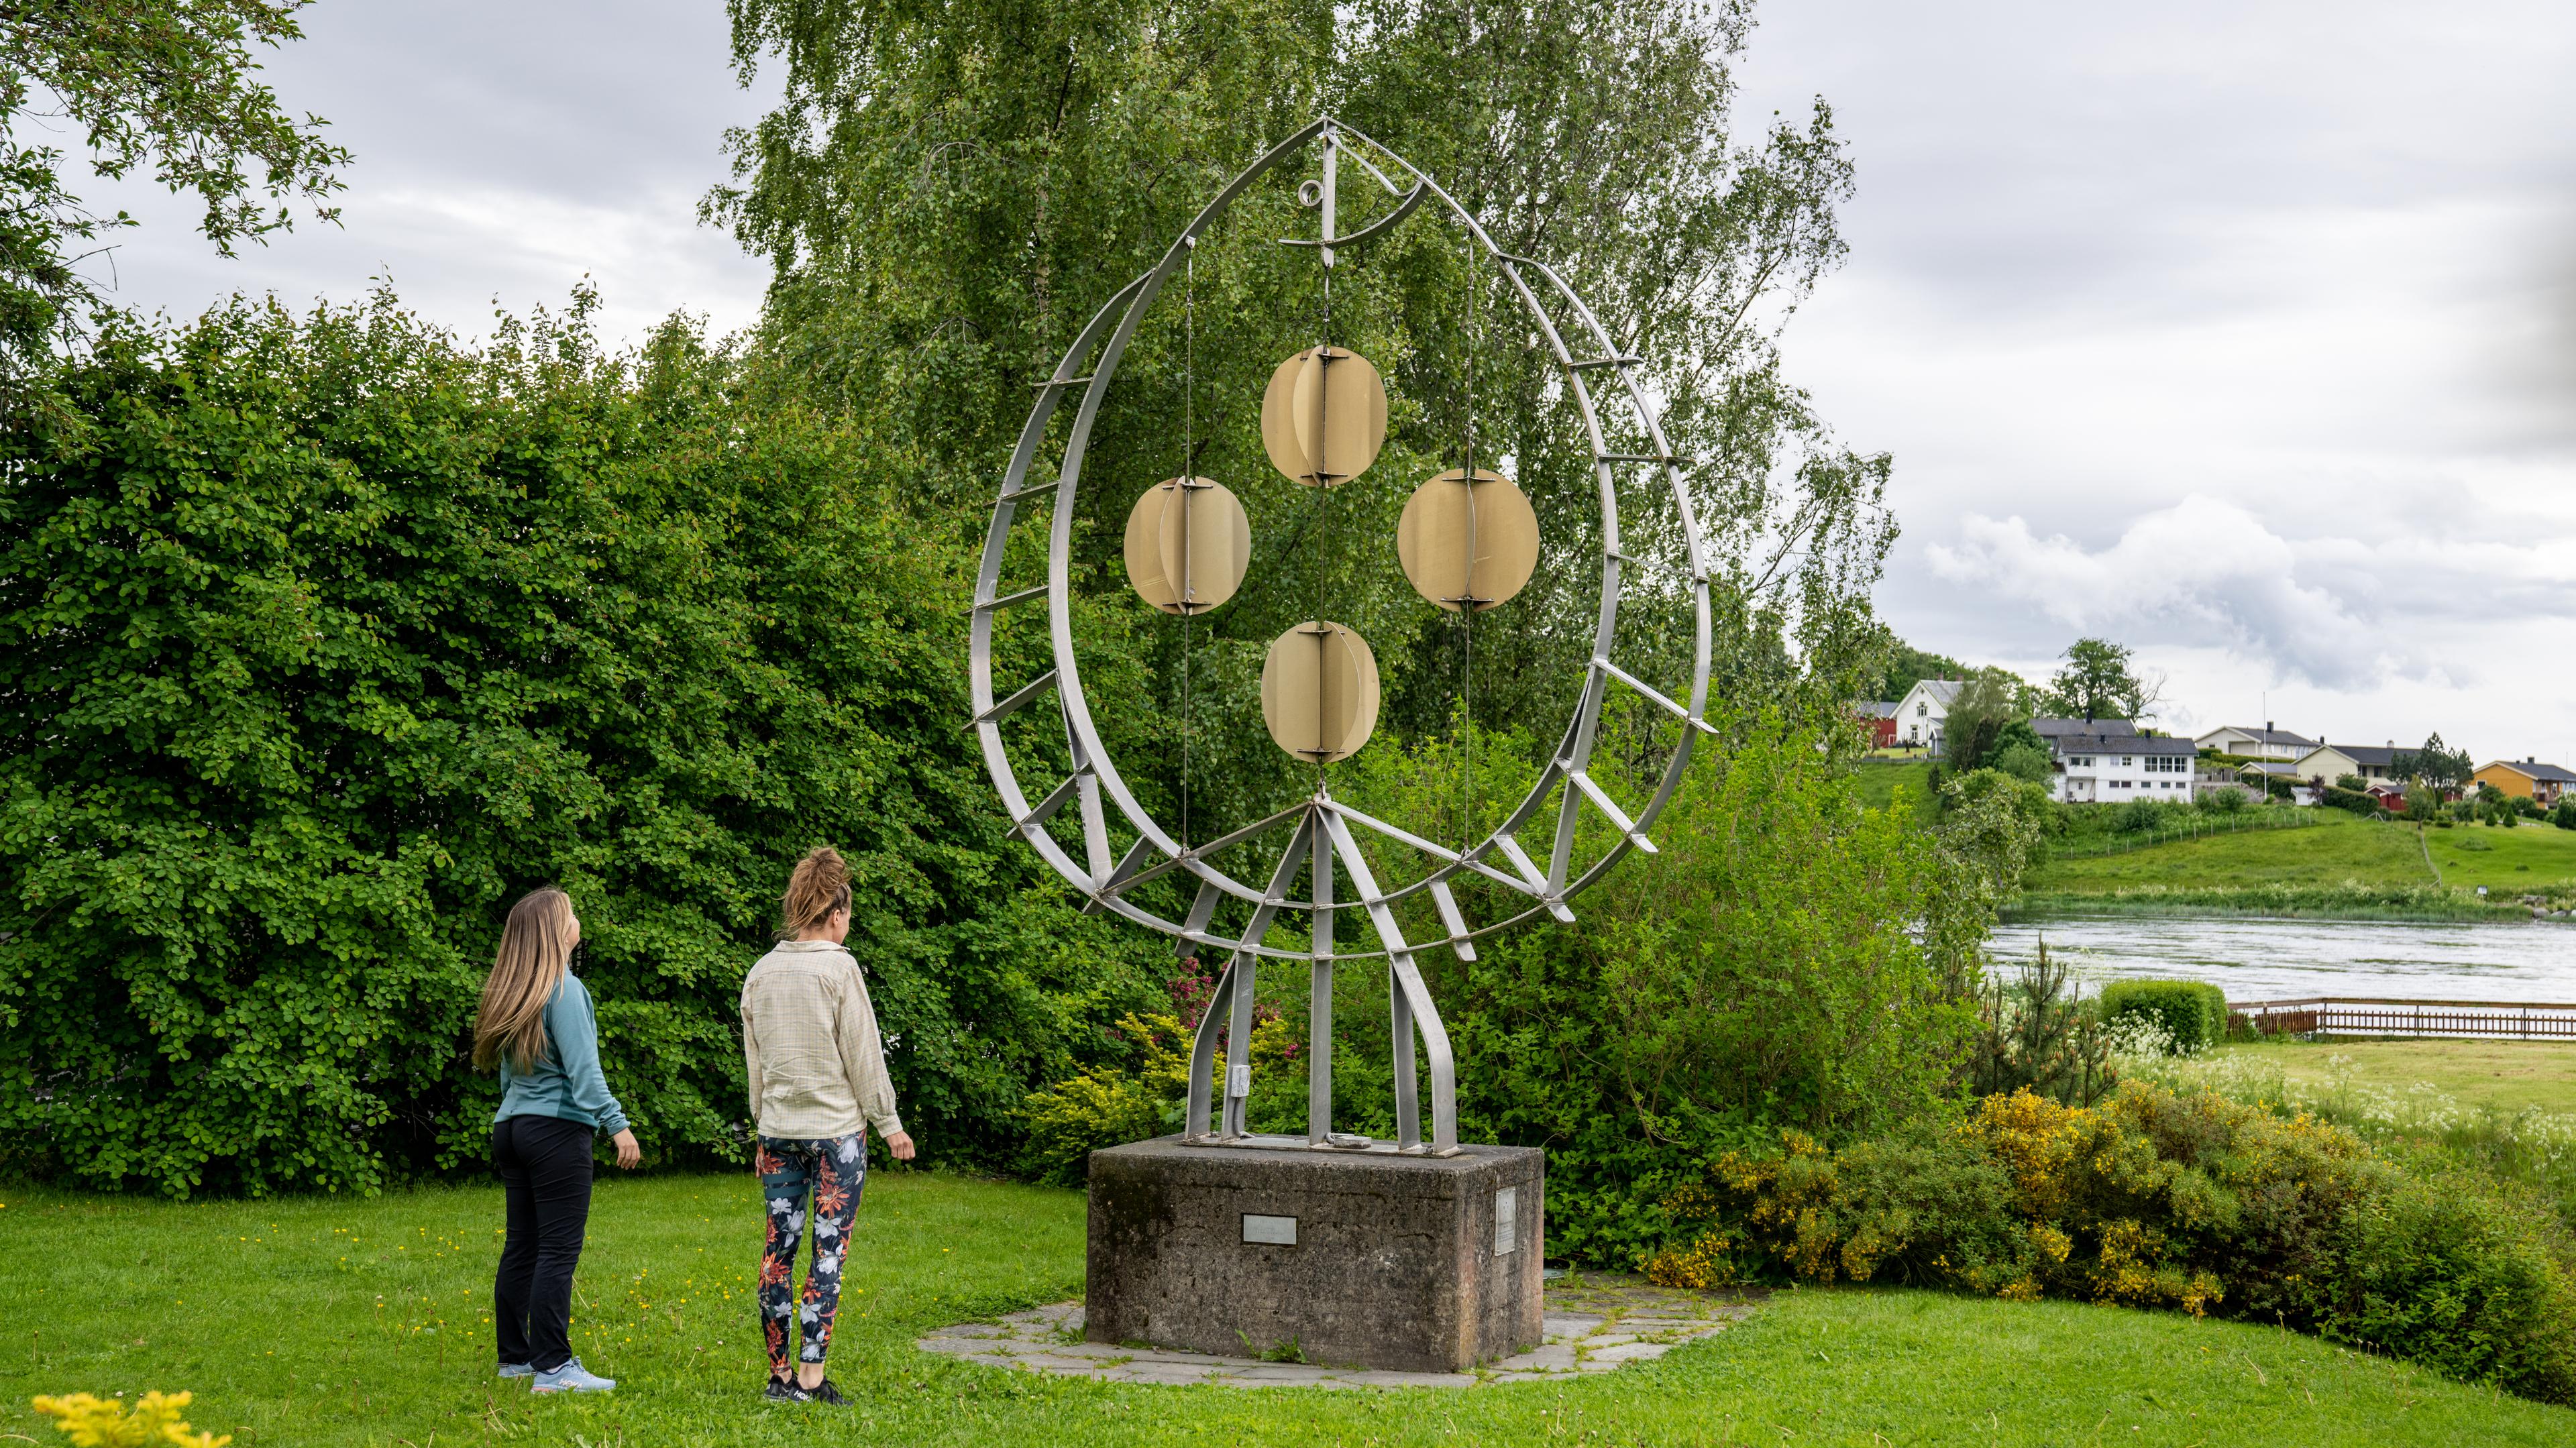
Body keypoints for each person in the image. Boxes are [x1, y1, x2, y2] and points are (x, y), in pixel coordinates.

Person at [741, 847, 916, 1406]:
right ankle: (813, 1380)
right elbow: (863, 1054)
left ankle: (779, 1377)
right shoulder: (839, 968)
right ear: (836, 912)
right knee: (827, 1251)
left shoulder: (761, 972)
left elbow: (757, 1065)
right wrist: (889, 1123)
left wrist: (761, 1127)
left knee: (778, 1252)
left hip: (778, 1132)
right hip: (836, 1131)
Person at [472, 886, 642, 1395]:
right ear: (555, 929)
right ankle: (553, 1367)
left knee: (523, 1244)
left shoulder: (517, 992)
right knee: (558, 1249)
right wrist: (617, 1124)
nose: (577, 918)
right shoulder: (565, 989)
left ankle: (516, 1357)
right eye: (570, 912)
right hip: (556, 1132)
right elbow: (585, 1072)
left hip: (513, 1127)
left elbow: (508, 1078)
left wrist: (517, 1115)